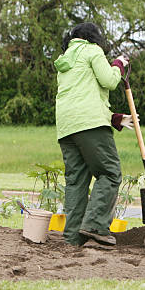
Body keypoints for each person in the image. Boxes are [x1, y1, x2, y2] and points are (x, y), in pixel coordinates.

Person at [54, 22, 133, 246]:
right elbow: (109, 80)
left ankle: (73, 238)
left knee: (76, 181)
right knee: (110, 173)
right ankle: (95, 226)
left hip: (67, 127)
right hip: (90, 126)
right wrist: (118, 63)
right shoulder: (93, 51)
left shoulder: (66, 60)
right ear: (93, 37)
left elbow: (82, 98)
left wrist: (115, 118)